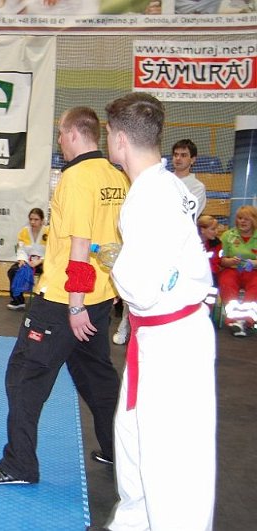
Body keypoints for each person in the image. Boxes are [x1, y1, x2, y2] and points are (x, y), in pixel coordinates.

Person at [0, 107, 126, 486]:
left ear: (74, 133)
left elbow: (80, 244)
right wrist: (111, 291)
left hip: (64, 300)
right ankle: (119, 452)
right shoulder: (117, 176)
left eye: (60, 133)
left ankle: (19, 465)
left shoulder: (75, 177)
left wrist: (75, 304)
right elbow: (118, 240)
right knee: (98, 379)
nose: (59, 140)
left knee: (24, 378)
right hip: (100, 297)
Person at [101, 92, 216, 530]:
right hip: (161, 333)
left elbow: (143, 289)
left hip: (172, 339)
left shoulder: (149, 197)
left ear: (120, 139)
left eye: (109, 133)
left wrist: (119, 265)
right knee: (134, 441)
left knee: (171, 459)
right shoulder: (165, 185)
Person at [114, 138, 209, 344]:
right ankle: (125, 326)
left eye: (184, 155)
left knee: (164, 294)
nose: (178, 159)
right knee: (137, 284)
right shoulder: (162, 179)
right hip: (150, 241)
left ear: (193, 159)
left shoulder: (196, 187)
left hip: (176, 248)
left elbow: (185, 217)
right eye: (176, 154)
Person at [219, 205, 257, 337]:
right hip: (232, 270)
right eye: (240, 218)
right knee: (226, 283)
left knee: (255, 287)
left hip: (254, 271)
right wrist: (229, 261)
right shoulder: (227, 235)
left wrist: (254, 263)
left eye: (246, 219)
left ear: (254, 220)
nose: (242, 221)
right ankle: (234, 320)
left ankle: (245, 320)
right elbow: (220, 260)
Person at [6, 207, 48, 310]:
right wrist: (22, 260)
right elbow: (21, 248)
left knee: (48, 273)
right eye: (31, 219)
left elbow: (53, 250)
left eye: (36, 219)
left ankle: (45, 302)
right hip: (28, 261)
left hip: (44, 261)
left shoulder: (49, 232)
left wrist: (40, 261)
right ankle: (18, 300)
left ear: (42, 220)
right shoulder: (24, 231)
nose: (33, 222)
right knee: (13, 271)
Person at [197, 214, 222, 285]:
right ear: (202, 230)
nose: (216, 232)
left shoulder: (216, 243)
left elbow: (217, 261)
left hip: (212, 274)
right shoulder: (192, 243)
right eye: (213, 229)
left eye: (217, 228)